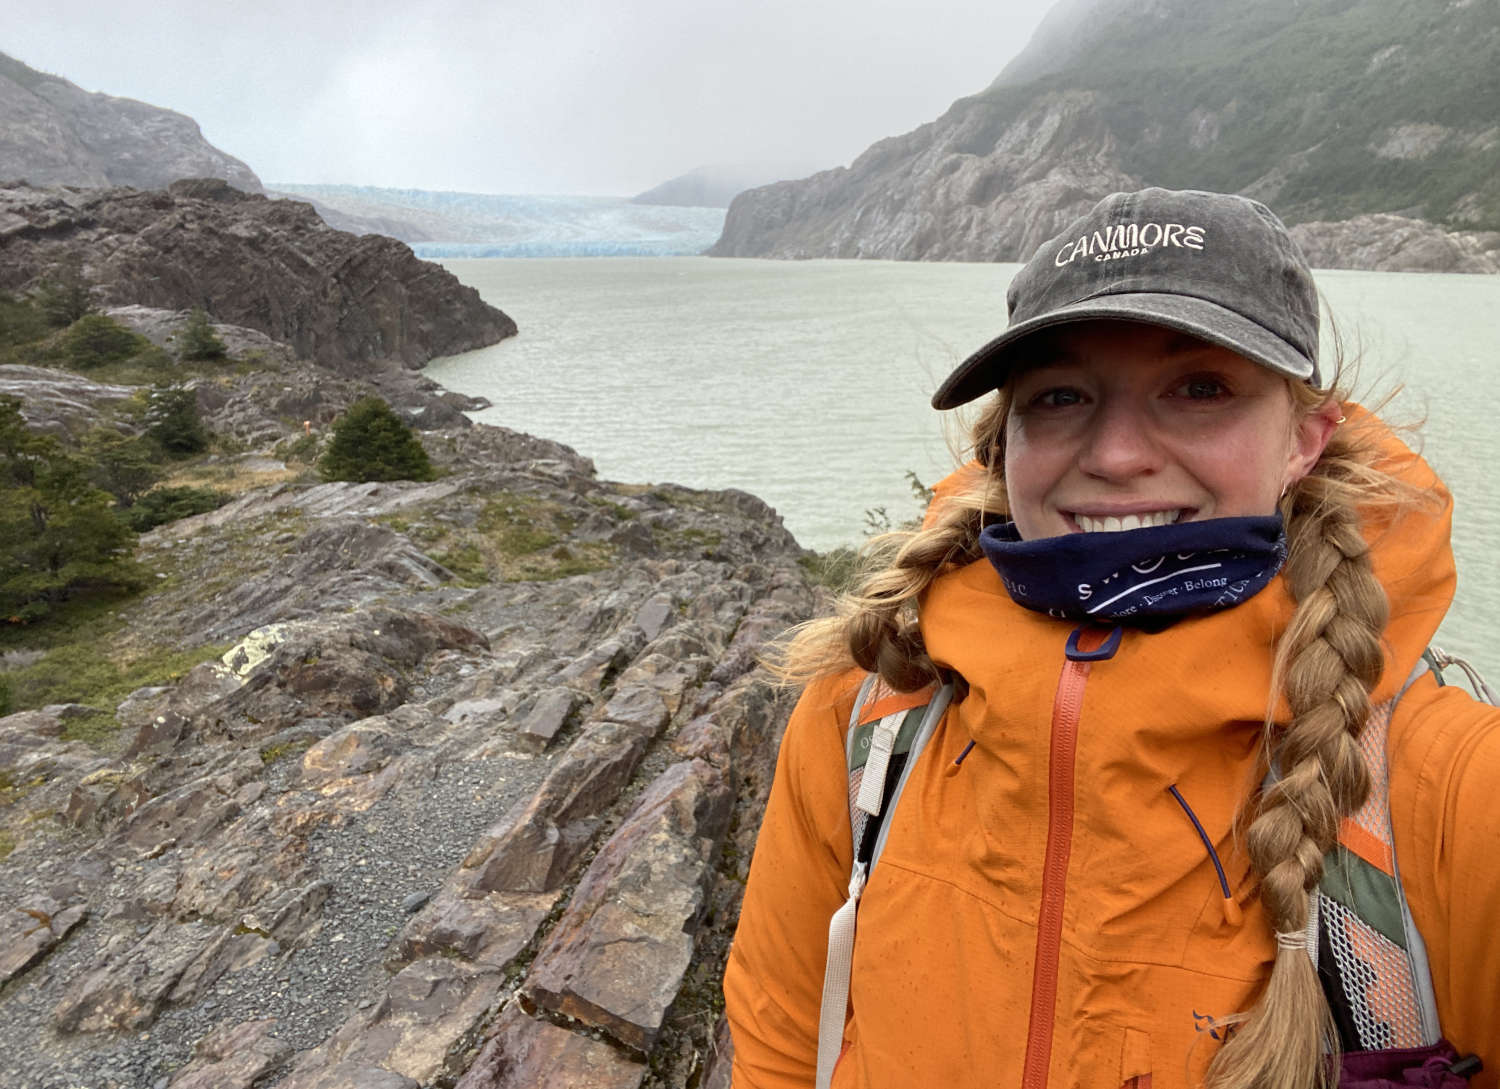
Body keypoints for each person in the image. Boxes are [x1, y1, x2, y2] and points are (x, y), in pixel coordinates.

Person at [723, 188, 1499, 1089]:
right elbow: (780, 1042)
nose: (1117, 454)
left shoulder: (1452, 796)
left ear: (1306, 440)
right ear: (1001, 446)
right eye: (1059, 396)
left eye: (1199, 388)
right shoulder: (864, 721)